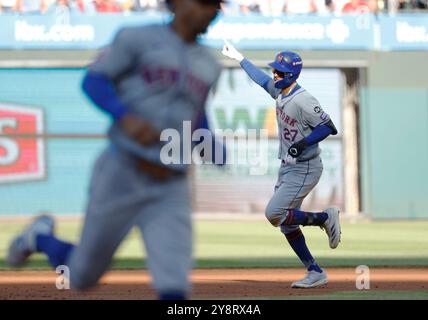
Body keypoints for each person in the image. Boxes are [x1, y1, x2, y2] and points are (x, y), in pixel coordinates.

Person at [7, 0, 225, 300]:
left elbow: (197, 117)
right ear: (176, 3)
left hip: (171, 184)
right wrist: (124, 116)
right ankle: (40, 237)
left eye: (217, 4)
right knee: (82, 276)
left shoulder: (210, 65)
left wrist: (210, 144)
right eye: (203, 3)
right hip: (123, 170)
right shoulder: (136, 39)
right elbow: (94, 80)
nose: (212, 10)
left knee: (174, 285)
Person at [222, 40, 341, 288]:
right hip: (288, 166)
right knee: (286, 225)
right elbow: (261, 79)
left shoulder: (303, 99)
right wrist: (240, 58)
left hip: (305, 166)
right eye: (274, 69)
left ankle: (324, 217)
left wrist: (303, 143)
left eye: (278, 71)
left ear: (291, 75)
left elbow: (328, 127)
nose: (274, 74)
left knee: (274, 213)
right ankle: (315, 271)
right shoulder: (280, 90)